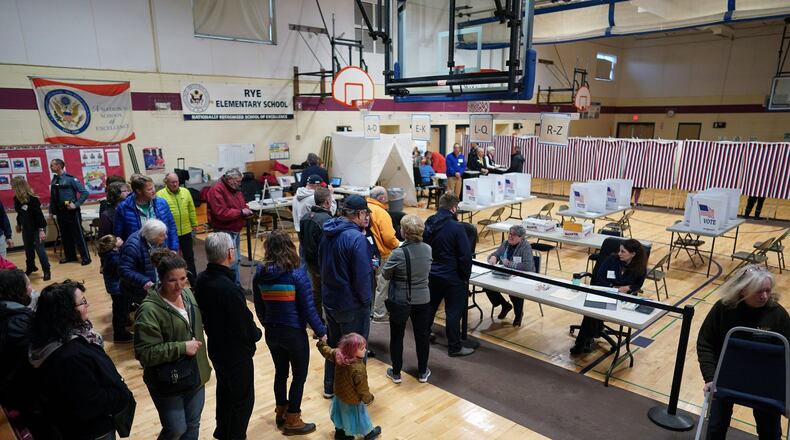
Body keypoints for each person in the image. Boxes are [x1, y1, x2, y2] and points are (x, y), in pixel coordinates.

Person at [29, 279, 133, 440]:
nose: (88, 305)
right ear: (66, 311)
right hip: (92, 430)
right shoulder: (70, 356)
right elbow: (90, 401)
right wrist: (120, 393)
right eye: (83, 302)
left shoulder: (55, 335)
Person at [696, 264, 790, 440]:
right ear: (742, 291)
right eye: (758, 291)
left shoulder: (777, 315)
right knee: (716, 427)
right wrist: (710, 377)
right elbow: (706, 342)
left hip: (765, 381)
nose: (764, 296)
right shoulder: (723, 309)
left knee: (770, 432)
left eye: (768, 291)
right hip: (727, 377)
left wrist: (787, 393)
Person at [253, 230, 327, 435]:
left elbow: (259, 306)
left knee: (281, 373)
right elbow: (308, 309)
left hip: (272, 333)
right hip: (294, 333)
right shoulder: (297, 274)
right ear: (290, 247)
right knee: (299, 375)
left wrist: (267, 323)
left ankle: (281, 412)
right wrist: (322, 332)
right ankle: (293, 420)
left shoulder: (260, 272)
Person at [134, 249, 211, 440]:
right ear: (160, 279)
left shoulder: (187, 294)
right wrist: (182, 347)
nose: (179, 285)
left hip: (195, 373)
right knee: (176, 429)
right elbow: (145, 353)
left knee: (193, 425)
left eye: (183, 278)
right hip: (168, 380)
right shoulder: (149, 310)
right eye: (172, 280)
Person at [194, 232, 262, 439]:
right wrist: (256, 333)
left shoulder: (201, 279)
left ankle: (223, 430)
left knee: (224, 393)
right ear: (230, 253)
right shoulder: (228, 289)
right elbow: (244, 326)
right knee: (242, 400)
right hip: (235, 353)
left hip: (216, 346)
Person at [319, 195, 374, 398]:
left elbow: (319, 263)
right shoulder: (356, 238)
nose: (367, 217)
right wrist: (366, 301)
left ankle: (329, 387)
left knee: (334, 346)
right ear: (359, 214)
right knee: (355, 352)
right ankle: (355, 393)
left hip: (330, 300)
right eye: (366, 213)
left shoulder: (327, 232)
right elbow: (362, 277)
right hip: (351, 305)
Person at [570, 239, 647, 355]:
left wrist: (629, 288)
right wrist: (613, 287)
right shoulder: (611, 260)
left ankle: (585, 340)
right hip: (605, 291)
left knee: (592, 315)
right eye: (619, 250)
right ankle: (581, 343)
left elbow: (637, 285)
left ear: (633, 254)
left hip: (622, 298)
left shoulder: (640, 268)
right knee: (591, 312)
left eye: (623, 251)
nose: (619, 253)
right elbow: (599, 277)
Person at [382, 215, 433, 384]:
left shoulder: (398, 253)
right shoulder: (427, 249)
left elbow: (386, 274)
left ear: (404, 232)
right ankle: (423, 372)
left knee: (397, 336)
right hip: (423, 300)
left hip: (401, 300)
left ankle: (396, 372)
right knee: (422, 336)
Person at [424, 193, 474, 356]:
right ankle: (454, 346)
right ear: (454, 208)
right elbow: (465, 255)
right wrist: (465, 276)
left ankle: (424, 336)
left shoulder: (429, 222)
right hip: (452, 276)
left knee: (430, 307)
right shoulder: (457, 227)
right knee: (453, 312)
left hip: (432, 273)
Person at [317, 333, 381, 440]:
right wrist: (368, 399)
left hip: (339, 394)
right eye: (362, 348)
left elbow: (326, 351)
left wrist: (321, 343)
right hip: (353, 400)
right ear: (352, 350)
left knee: (340, 414)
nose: (365, 350)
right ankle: (367, 433)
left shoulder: (338, 354)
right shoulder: (358, 368)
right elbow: (362, 389)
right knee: (358, 417)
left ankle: (340, 433)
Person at [206, 168, 253, 285]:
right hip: (225, 229)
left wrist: (246, 208)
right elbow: (221, 212)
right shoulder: (216, 190)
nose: (239, 184)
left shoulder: (234, 188)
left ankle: (236, 285)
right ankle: (231, 286)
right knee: (229, 261)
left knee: (235, 260)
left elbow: (240, 204)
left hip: (234, 228)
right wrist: (241, 212)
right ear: (230, 179)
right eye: (237, 181)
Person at [484, 225, 536, 327]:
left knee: (514, 291)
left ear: (521, 237)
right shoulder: (506, 243)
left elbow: (527, 266)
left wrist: (509, 264)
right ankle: (505, 305)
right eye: (510, 233)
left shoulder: (525, 246)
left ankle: (518, 315)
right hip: (505, 274)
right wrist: (493, 257)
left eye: (514, 235)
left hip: (521, 276)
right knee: (487, 286)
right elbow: (496, 253)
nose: (510, 236)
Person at [0, 270, 35, 417]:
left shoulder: (9, 312)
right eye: (28, 284)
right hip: (23, 394)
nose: (31, 288)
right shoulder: (19, 322)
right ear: (18, 289)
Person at [115, 173, 179, 251]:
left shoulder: (162, 203)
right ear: (138, 191)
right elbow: (118, 235)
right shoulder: (123, 208)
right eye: (149, 189)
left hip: (161, 251)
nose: (154, 191)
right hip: (138, 254)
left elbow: (171, 227)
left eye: (153, 187)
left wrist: (173, 249)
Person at [298, 186, 334, 321]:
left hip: (310, 264)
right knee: (328, 295)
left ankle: (318, 322)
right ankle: (331, 325)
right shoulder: (327, 220)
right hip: (324, 265)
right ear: (327, 202)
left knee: (315, 294)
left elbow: (302, 241)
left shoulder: (305, 217)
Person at [367, 187, 401, 322]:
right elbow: (388, 237)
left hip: (369, 254)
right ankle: (379, 314)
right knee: (382, 285)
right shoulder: (381, 212)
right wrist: (398, 244)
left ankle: (371, 311)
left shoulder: (364, 207)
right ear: (381, 198)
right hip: (382, 254)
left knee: (372, 284)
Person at [157, 173, 198, 283]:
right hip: (169, 233)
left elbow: (191, 209)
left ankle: (194, 281)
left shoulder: (185, 191)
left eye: (177, 182)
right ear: (166, 182)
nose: (175, 184)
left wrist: (194, 224)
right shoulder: (160, 195)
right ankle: (172, 281)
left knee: (189, 257)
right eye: (172, 182)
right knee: (171, 259)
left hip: (186, 231)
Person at [49, 158, 91, 265]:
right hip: (60, 211)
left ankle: (86, 257)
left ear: (59, 166)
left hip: (72, 212)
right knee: (65, 235)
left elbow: (84, 193)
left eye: (52, 165)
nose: (50, 167)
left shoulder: (71, 179)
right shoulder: (54, 180)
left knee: (78, 235)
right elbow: (52, 198)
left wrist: (75, 204)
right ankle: (70, 256)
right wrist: (51, 211)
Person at [119, 219, 167, 305]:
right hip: (139, 290)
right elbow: (124, 270)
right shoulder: (133, 246)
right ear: (153, 236)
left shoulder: (156, 240)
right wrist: (144, 281)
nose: (166, 237)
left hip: (155, 286)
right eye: (162, 235)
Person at [11, 177, 50, 281]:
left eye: (13, 186)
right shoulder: (17, 199)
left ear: (19, 187)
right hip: (26, 228)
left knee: (40, 249)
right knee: (28, 249)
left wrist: (41, 230)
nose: (12, 188)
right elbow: (20, 214)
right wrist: (19, 224)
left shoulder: (32, 199)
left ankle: (47, 270)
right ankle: (31, 267)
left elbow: (39, 215)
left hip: (38, 228)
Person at [98, 234, 133, 342]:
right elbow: (123, 266)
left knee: (123, 308)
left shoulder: (109, 255)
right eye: (116, 240)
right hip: (118, 289)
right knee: (119, 311)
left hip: (116, 288)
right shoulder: (113, 258)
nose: (119, 238)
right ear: (114, 247)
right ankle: (120, 334)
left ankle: (125, 322)